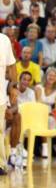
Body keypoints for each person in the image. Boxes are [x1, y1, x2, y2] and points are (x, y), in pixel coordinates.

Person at [0, 32, 17, 175]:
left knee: (0, 130)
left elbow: (12, 65)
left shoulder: (4, 40)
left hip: (0, 95)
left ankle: (0, 164)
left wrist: (13, 87)